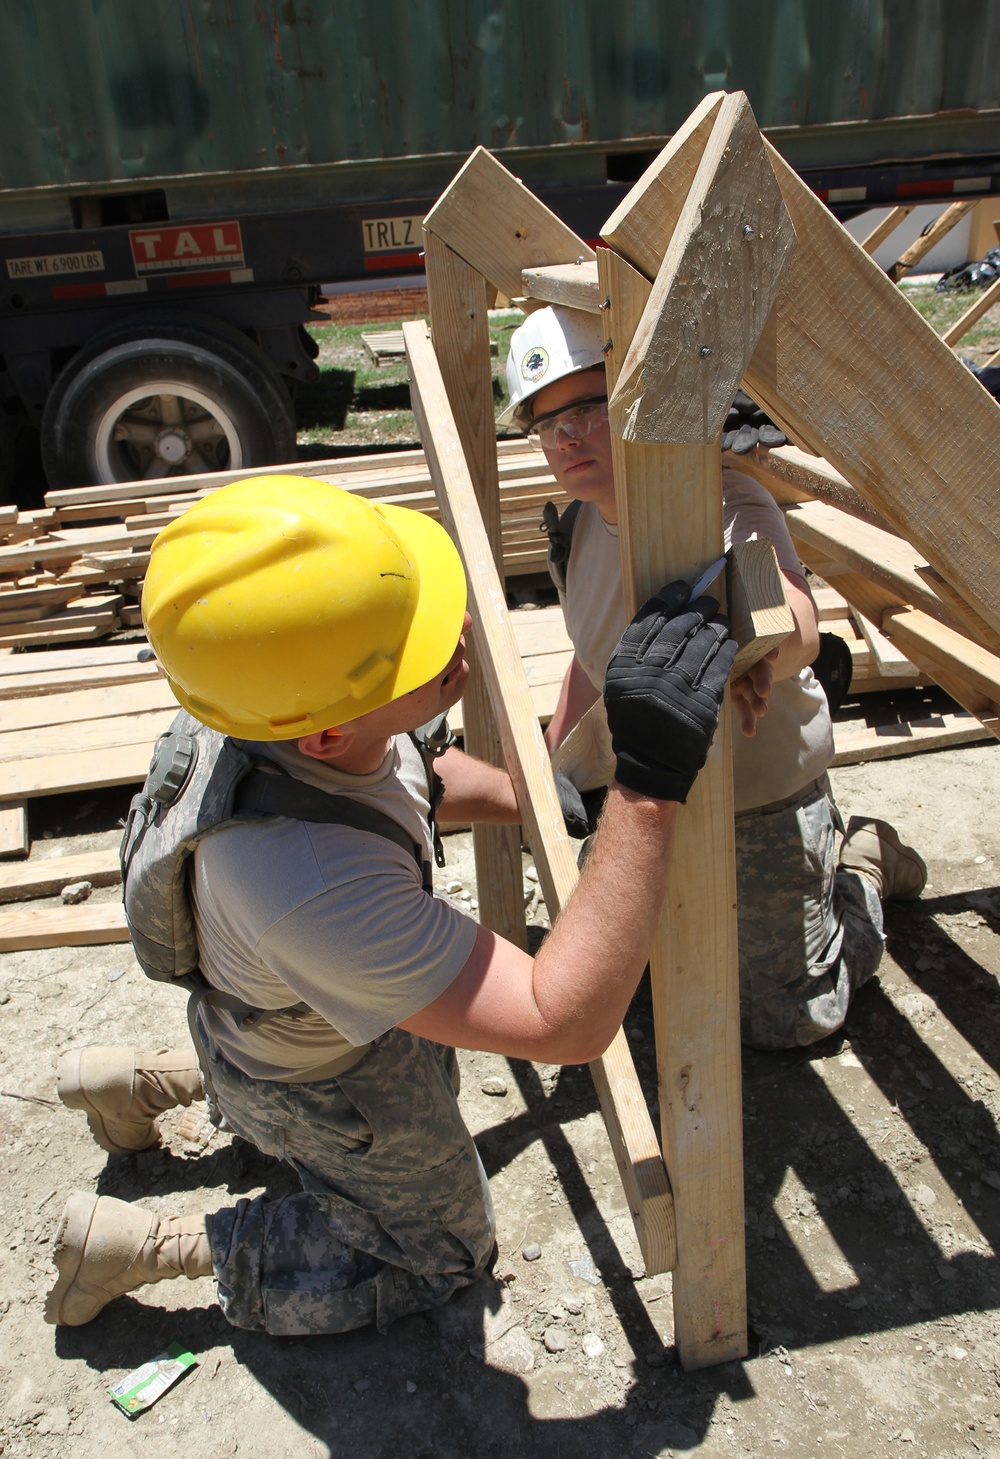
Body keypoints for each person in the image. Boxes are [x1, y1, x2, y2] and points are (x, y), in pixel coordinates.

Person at [46, 473, 738, 1335]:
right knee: (443, 1246)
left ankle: (137, 1083)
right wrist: (648, 784)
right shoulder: (314, 883)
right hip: (316, 1073)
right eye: (424, 652)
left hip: (281, 1012)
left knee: (372, 1043)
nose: (462, 633)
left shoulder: (266, 690)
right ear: (327, 732)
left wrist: (529, 796)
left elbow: (411, 772)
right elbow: (562, 1022)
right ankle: (146, 1244)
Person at [498, 305, 928, 1051]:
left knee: (791, 1018)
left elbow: (794, 620)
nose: (566, 435)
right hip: (655, 790)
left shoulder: (725, 502)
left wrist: (736, 651)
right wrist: (557, 757)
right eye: (546, 422)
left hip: (756, 796)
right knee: (639, 986)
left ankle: (858, 861)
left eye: (589, 407)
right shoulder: (579, 526)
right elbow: (589, 652)